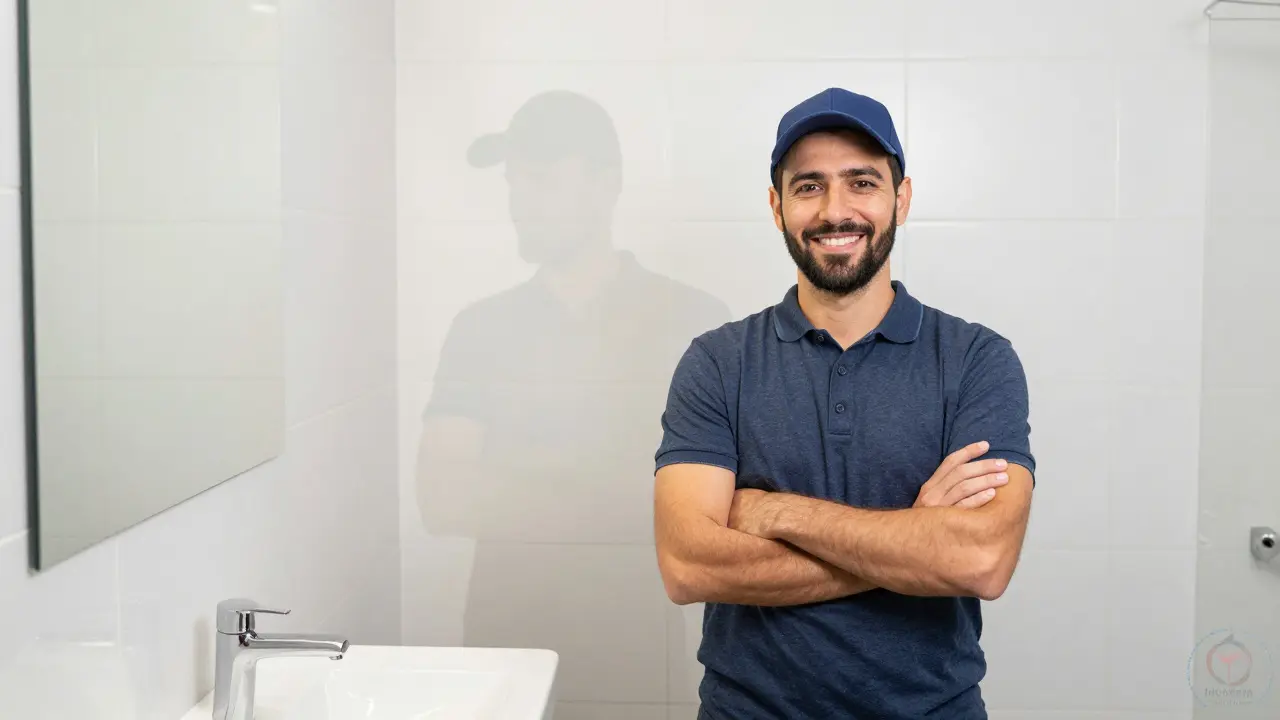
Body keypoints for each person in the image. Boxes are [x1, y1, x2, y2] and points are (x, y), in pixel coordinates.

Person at [653, 87, 1037, 719]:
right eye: (808, 187)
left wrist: (775, 513)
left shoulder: (977, 359)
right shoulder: (718, 362)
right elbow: (689, 566)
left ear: (901, 199)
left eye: (862, 182)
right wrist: (915, 538)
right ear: (776, 207)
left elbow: (981, 559)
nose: (836, 210)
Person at [415, 90, 731, 709]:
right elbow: (441, 498)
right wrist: (634, 491)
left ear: (605, 184)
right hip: (502, 657)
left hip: (635, 657)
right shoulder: (481, 327)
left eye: (541, 180)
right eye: (514, 184)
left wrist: (516, 484)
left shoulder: (692, 322)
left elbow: (718, 511)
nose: (519, 203)